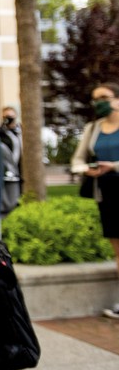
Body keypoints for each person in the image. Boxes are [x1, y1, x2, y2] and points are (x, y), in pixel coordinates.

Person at [71, 82, 119, 320]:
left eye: (103, 97)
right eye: (95, 98)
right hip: (108, 193)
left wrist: (114, 166)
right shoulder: (93, 129)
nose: (98, 102)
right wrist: (87, 169)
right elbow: (77, 160)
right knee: (118, 250)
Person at [0, 106, 23, 216]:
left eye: (11, 116)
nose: (9, 119)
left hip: (20, 170)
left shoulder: (20, 132)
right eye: (6, 117)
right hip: (8, 173)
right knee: (8, 203)